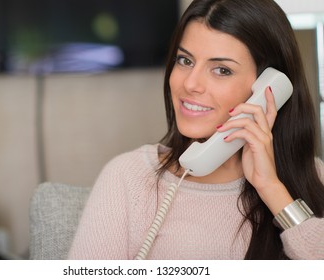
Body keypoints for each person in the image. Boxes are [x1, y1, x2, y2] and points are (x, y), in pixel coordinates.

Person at [68, 0, 324, 259]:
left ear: (270, 89)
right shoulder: (127, 178)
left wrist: (272, 189)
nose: (190, 83)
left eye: (222, 70)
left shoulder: (313, 178)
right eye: (185, 60)